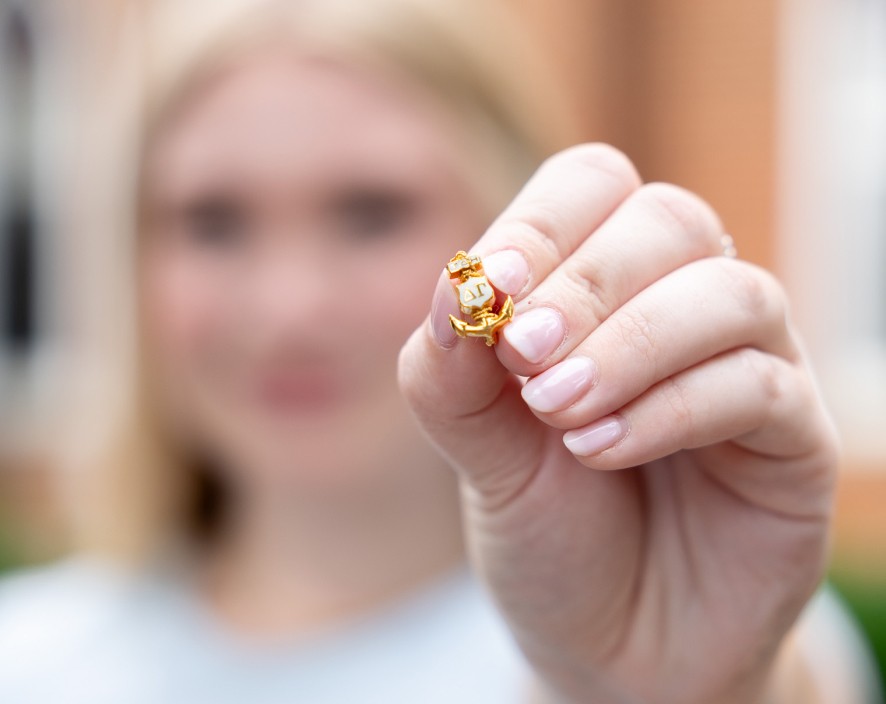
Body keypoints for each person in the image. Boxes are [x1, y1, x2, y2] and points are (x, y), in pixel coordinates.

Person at [0, 0, 879, 702]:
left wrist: (690, 696)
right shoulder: (27, 658)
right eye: (214, 221)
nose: (289, 307)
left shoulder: (712, 628)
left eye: (370, 211)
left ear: (511, 224)